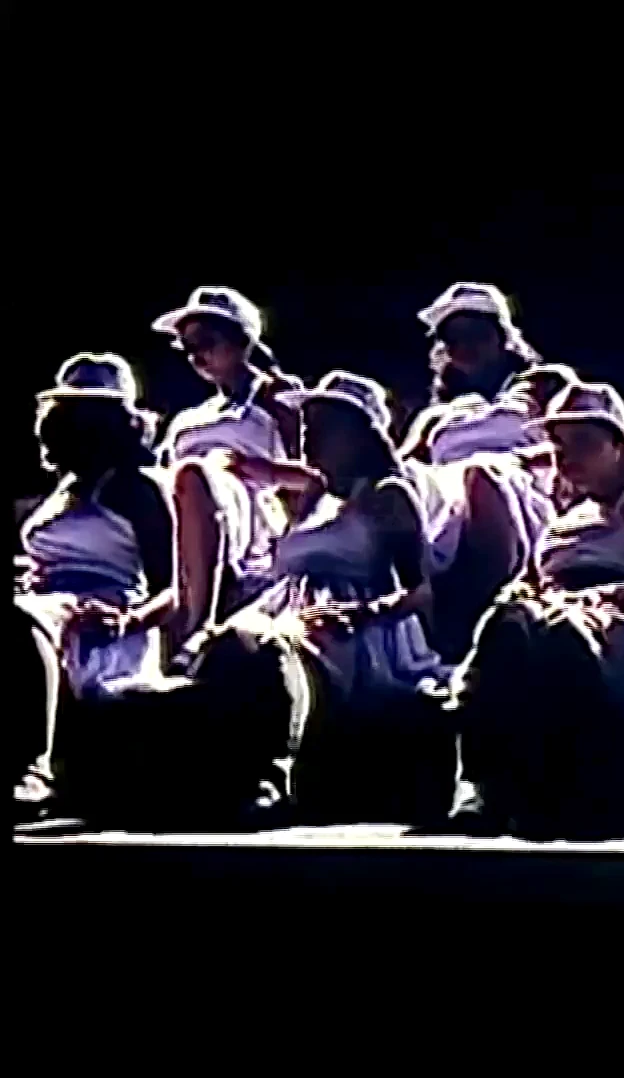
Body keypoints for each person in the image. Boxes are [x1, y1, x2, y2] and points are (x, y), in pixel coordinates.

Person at [449, 381, 624, 838]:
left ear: (618, 445)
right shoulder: (567, 513)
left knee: (562, 637)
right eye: (559, 445)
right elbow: (529, 578)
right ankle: (481, 783)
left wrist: (609, 598)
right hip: (554, 609)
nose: (567, 457)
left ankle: (573, 792)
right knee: (505, 627)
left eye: (583, 442)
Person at [211, 371, 455, 824]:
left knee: (283, 651)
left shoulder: (387, 494)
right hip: (287, 605)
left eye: (324, 426)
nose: (309, 437)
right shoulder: (314, 496)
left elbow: (421, 592)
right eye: (307, 425)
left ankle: (275, 775)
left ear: (359, 434)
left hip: (357, 623)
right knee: (232, 645)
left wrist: (361, 613)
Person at [14, 356, 177, 815]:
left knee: (28, 621)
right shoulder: (64, 487)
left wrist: (127, 621)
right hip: (47, 599)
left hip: (103, 617)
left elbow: (173, 589)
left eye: (79, 414)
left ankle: (34, 769)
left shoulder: (135, 489)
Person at [408, 283, 559, 659]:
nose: (466, 346)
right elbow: (398, 464)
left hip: (521, 481)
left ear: (501, 336)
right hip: (444, 495)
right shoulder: (437, 416)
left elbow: (584, 436)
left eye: (476, 334)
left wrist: (529, 460)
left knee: (481, 477)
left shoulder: (542, 386)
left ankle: (483, 623)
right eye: (454, 339)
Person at [149, 286, 303, 648]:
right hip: (187, 511)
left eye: (206, 342)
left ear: (241, 341)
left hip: (249, 511)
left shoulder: (277, 398)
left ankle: (195, 622)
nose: (196, 356)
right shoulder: (188, 419)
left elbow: (306, 469)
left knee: (193, 475)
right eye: (188, 347)